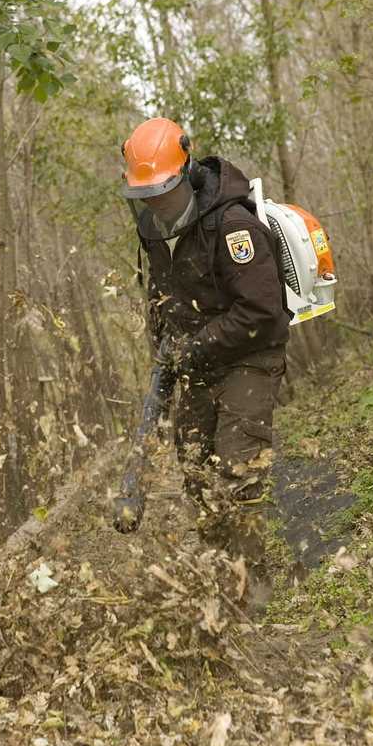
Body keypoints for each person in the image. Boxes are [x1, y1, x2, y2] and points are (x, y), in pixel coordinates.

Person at [120, 117, 291, 588]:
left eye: (163, 191)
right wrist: (166, 356)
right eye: (145, 195)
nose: (155, 202)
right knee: (195, 466)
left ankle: (256, 581)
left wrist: (193, 348)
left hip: (250, 354)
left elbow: (260, 311)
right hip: (197, 361)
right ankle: (222, 571)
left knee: (238, 463)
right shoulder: (156, 232)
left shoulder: (232, 225)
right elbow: (162, 300)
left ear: (187, 173)